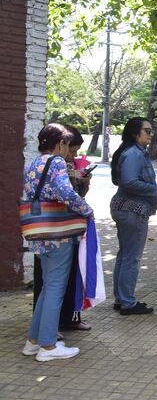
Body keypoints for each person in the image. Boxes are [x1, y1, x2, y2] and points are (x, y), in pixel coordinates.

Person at [22, 124, 93, 361]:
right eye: (66, 145)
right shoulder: (57, 162)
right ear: (61, 143)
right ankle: (48, 346)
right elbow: (64, 192)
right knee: (55, 288)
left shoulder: (35, 162)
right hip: (58, 234)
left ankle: (34, 340)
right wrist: (86, 210)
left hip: (40, 232)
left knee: (46, 288)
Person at [109, 117, 157, 315]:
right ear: (135, 133)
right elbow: (129, 181)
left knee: (124, 255)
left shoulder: (134, 152)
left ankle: (122, 299)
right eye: (147, 131)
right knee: (132, 258)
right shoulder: (134, 154)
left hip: (126, 208)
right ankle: (127, 302)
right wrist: (151, 188)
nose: (150, 134)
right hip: (133, 210)